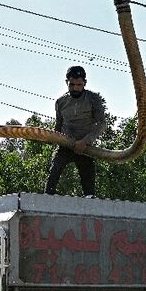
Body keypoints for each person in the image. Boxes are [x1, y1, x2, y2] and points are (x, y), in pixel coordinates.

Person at [45, 66, 107, 197]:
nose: (75, 88)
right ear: (66, 82)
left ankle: (90, 203)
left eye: (79, 84)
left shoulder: (93, 99)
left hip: (85, 148)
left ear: (85, 83)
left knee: (89, 186)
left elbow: (101, 124)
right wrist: (52, 139)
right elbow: (59, 125)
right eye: (72, 84)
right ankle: (46, 200)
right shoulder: (60, 102)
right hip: (65, 145)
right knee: (52, 176)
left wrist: (85, 141)